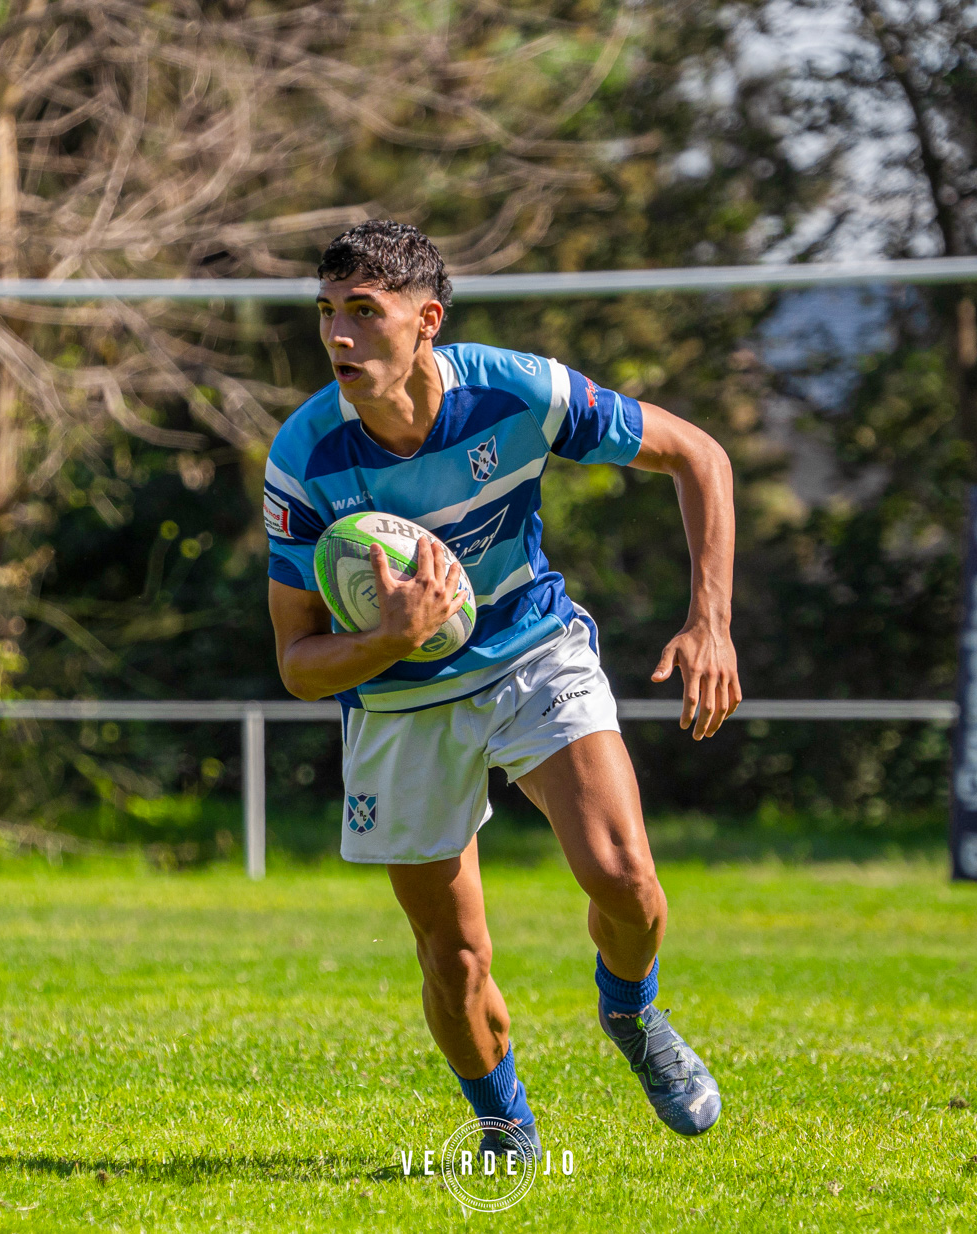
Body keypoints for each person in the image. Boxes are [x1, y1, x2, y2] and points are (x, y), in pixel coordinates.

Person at [264, 221, 740, 1159]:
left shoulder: (517, 391)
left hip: (531, 650)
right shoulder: (304, 456)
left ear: (427, 321)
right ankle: (504, 1124)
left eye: (364, 311)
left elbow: (700, 456)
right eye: (326, 313)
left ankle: (631, 1009)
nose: (338, 336)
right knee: (455, 956)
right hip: (398, 702)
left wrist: (711, 621)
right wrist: (388, 638)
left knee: (627, 882)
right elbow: (297, 664)